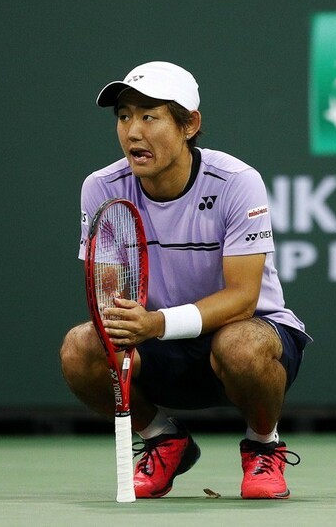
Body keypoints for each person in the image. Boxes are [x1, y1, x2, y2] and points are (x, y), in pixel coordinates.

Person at [60, 61, 311, 499]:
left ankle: (262, 445)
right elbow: (109, 298)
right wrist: (127, 322)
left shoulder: (236, 182)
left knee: (240, 345)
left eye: (149, 116)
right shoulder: (101, 187)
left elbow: (243, 299)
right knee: (80, 349)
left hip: (247, 337)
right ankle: (164, 440)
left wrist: (157, 322)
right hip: (157, 345)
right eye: (124, 116)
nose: (133, 132)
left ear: (189, 125)